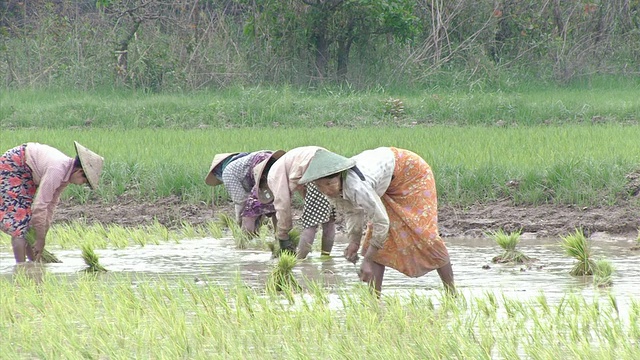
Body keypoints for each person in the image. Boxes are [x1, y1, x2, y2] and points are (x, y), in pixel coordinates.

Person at [298, 147, 455, 295]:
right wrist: (354, 242)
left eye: (329, 184)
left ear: (341, 175)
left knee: (425, 236)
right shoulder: (333, 189)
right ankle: (374, 301)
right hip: (387, 183)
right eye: (320, 186)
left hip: (411, 173)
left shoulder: (357, 187)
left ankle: (452, 294)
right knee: (373, 244)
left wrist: (367, 260)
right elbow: (352, 211)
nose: (326, 190)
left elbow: (381, 222)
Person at [1, 141, 104, 263]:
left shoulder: (65, 176)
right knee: (20, 226)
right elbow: (40, 205)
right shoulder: (57, 169)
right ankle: (21, 268)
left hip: (27, 174)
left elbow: (50, 206)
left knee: (29, 226)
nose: (81, 184)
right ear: (80, 172)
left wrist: (42, 234)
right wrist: (40, 239)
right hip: (14, 167)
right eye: (84, 181)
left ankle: (35, 264)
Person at [253, 146, 336, 259]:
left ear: (263, 178)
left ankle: (299, 263)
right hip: (333, 164)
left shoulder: (274, 174)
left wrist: (283, 235)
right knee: (329, 221)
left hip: (315, 168)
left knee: (311, 223)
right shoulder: (287, 161)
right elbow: (305, 191)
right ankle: (326, 260)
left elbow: (283, 205)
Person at [205, 151, 282, 233]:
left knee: (249, 211)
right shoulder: (243, 163)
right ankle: (280, 237)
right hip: (277, 169)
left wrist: (239, 223)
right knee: (277, 204)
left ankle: (246, 239)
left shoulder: (228, 172)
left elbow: (241, 202)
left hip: (266, 172)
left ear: (217, 173)